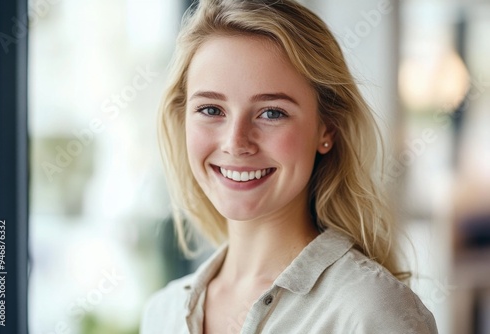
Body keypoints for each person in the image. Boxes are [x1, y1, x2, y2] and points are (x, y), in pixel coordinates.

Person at [141, 0, 438, 333]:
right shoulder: (161, 315)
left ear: (326, 129)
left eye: (272, 113)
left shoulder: (370, 313)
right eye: (211, 110)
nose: (236, 142)